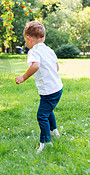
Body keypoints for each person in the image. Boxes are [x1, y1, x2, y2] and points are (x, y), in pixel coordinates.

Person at [15, 21, 63, 153]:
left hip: (49, 90)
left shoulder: (33, 51)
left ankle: (46, 142)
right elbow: (57, 66)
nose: (26, 43)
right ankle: (54, 131)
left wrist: (23, 77)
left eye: (26, 41)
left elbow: (35, 65)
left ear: (29, 39)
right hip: (57, 88)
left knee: (42, 115)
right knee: (48, 110)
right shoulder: (49, 50)